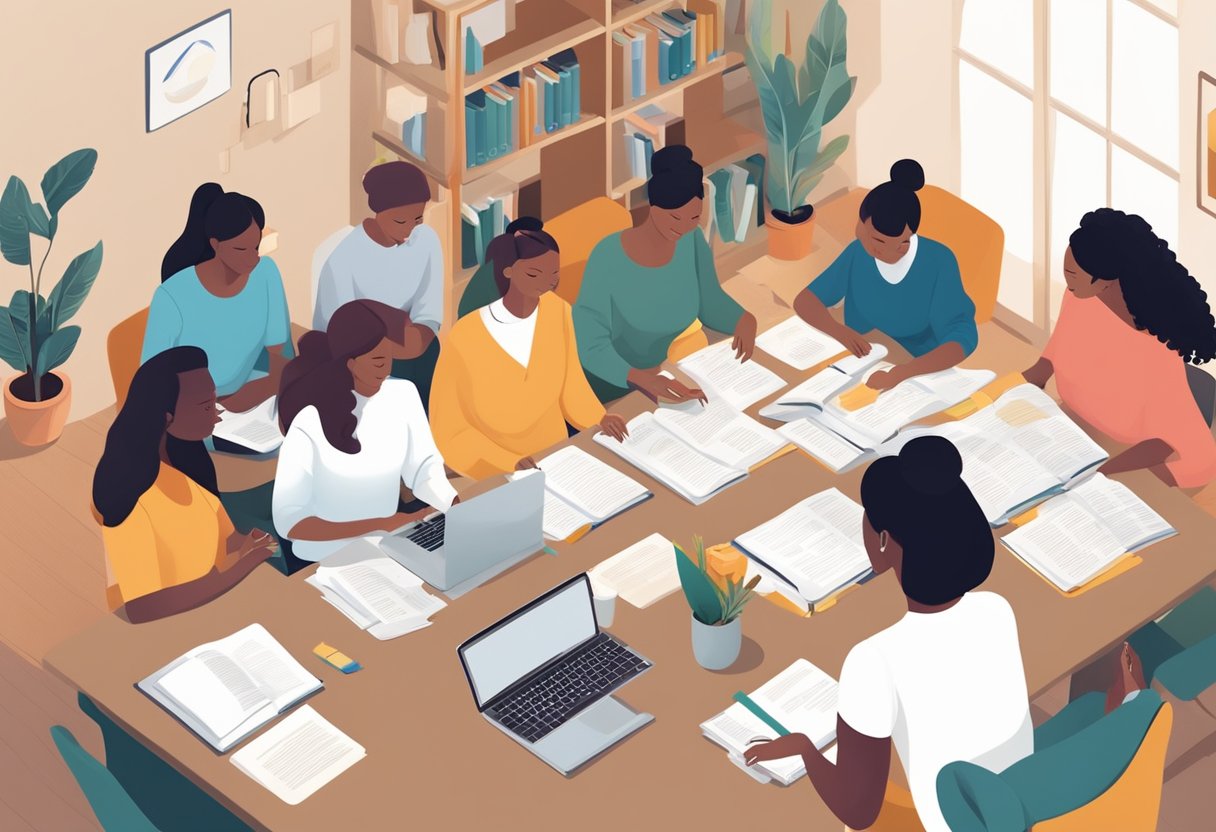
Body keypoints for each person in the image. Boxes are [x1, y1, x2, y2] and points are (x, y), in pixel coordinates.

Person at [744, 436, 1031, 832]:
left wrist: (805, 749)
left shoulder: (875, 660)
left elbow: (859, 811)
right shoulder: (998, 610)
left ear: (883, 541)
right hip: (1013, 809)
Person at [1023, 208, 1216, 487]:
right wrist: (1007, 394)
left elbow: (1163, 442)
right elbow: (1050, 360)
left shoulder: (1157, 353)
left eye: (1072, 274)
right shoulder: (1080, 298)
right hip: (1073, 426)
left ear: (1105, 281)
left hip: (1121, 453)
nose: (1067, 283)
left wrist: (1102, 474)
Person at [430, 218, 629, 478]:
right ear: (508, 271)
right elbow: (451, 431)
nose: (548, 283)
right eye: (534, 274)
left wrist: (599, 418)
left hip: (558, 457)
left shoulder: (558, 311)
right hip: (496, 469)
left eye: (554, 274)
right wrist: (508, 462)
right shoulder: (465, 337)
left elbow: (572, 387)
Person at [92, 347, 277, 623]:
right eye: (205, 406)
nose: (216, 416)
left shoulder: (189, 463)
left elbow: (226, 539)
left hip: (216, 609)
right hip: (167, 629)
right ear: (166, 418)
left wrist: (247, 543)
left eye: (215, 403)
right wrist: (243, 565)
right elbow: (142, 607)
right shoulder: (131, 494)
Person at [273, 299, 458, 562]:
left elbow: (424, 470)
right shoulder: (309, 420)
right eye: (378, 360)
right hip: (324, 560)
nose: (388, 369)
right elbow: (290, 521)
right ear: (350, 362)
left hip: (388, 549)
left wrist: (451, 503)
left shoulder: (403, 395)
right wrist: (379, 525)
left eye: (390, 358)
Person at [573, 145, 758, 403]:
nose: (683, 228)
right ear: (653, 206)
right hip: (605, 388)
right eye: (674, 218)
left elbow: (709, 300)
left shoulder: (691, 240)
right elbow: (591, 346)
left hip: (661, 378)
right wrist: (639, 378)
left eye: (694, 216)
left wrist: (743, 320)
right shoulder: (607, 257)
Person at [793, 159, 978, 390]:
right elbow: (806, 300)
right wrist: (840, 332)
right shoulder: (858, 252)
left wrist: (903, 373)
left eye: (878, 241)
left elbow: (962, 338)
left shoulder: (938, 263)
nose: (864, 240)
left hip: (917, 370)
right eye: (862, 229)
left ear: (904, 244)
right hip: (862, 364)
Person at [145, 184, 292, 413]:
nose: (253, 259)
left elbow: (281, 355)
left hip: (254, 401)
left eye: (256, 247)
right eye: (241, 249)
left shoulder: (265, 273)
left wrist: (247, 399)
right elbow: (153, 382)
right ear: (215, 244)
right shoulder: (171, 297)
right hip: (191, 411)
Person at [314, 160, 443, 408]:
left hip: (414, 344)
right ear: (378, 211)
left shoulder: (426, 240)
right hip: (360, 354)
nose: (408, 231)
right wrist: (392, 347)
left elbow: (429, 313)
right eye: (399, 221)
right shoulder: (342, 262)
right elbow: (338, 334)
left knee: (428, 358)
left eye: (417, 219)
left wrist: (417, 339)